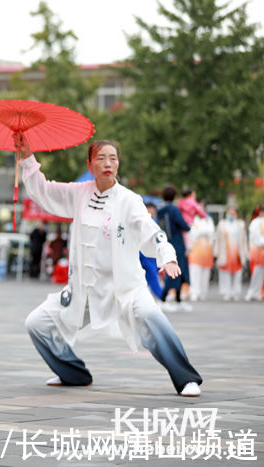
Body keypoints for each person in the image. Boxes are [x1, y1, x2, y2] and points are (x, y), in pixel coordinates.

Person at [16, 135, 202, 397]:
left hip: (125, 288)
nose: (108, 163)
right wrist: (27, 157)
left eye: (113, 158)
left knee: (151, 317)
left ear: (118, 164)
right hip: (85, 291)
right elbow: (43, 190)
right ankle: (73, 373)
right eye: (101, 158)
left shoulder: (129, 200)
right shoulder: (79, 193)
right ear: (90, 164)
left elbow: (151, 231)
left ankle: (186, 378)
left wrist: (167, 255)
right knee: (36, 323)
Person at [158, 185, 192, 312]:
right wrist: (189, 225)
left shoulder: (160, 209)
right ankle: (163, 299)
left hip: (166, 242)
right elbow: (184, 226)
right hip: (177, 243)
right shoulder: (174, 210)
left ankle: (177, 300)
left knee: (176, 272)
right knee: (177, 271)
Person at [214, 206, 248, 301]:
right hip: (225, 253)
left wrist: (245, 253)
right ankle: (226, 292)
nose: (231, 215)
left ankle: (235, 292)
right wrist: (216, 252)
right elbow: (218, 239)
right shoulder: (222, 224)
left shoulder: (240, 225)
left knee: (237, 274)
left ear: (236, 214)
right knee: (225, 273)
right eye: (230, 213)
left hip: (237, 253)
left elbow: (244, 240)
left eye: (233, 213)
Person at [187, 209, 215, 301]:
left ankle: (203, 293)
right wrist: (203, 232)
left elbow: (211, 233)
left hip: (207, 251)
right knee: (195, 272)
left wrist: (202, 232)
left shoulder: (209, 220)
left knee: (205, 273)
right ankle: (194, 292)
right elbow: (193, 234)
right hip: (195, 251)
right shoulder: (193, 220)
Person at [139, 202, 163, 298]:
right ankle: (161, 297)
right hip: (141, 253)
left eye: (152, 209)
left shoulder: (156, 221)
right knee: (148, 276)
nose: (151, 211)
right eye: (149, 209)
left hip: (152, 254)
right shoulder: (142, 221)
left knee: (153, 276)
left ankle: (161, 297)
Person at [245, 206, 264, 301]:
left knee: (262, 274)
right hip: (257, 251)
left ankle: (258, 293)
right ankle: (251, 292)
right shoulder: (255, 223)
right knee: (256, 272)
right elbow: (256, 237)